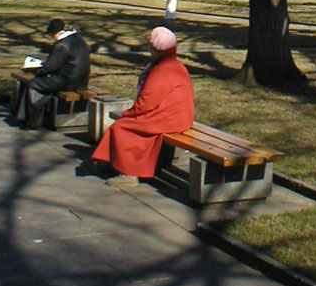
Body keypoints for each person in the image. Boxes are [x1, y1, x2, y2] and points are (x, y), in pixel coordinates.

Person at [92, 26, 194, 181]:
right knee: (126, 124)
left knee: (121, 127)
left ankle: (128, 173)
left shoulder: (161, 71)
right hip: (181, 117)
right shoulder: (176, 66)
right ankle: (114, 162)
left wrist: (127, 114)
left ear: (156, 50)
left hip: (170, 119)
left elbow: (144, 105)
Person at [12, 18, 90, 128]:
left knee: (33, 84)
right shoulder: (79, 39)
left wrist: (36, 71)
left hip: (67, 81)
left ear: (55, 33)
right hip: (82, 80)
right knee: (44, 83)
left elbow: (49, 67)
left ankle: (32, 120)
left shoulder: (61, 45)